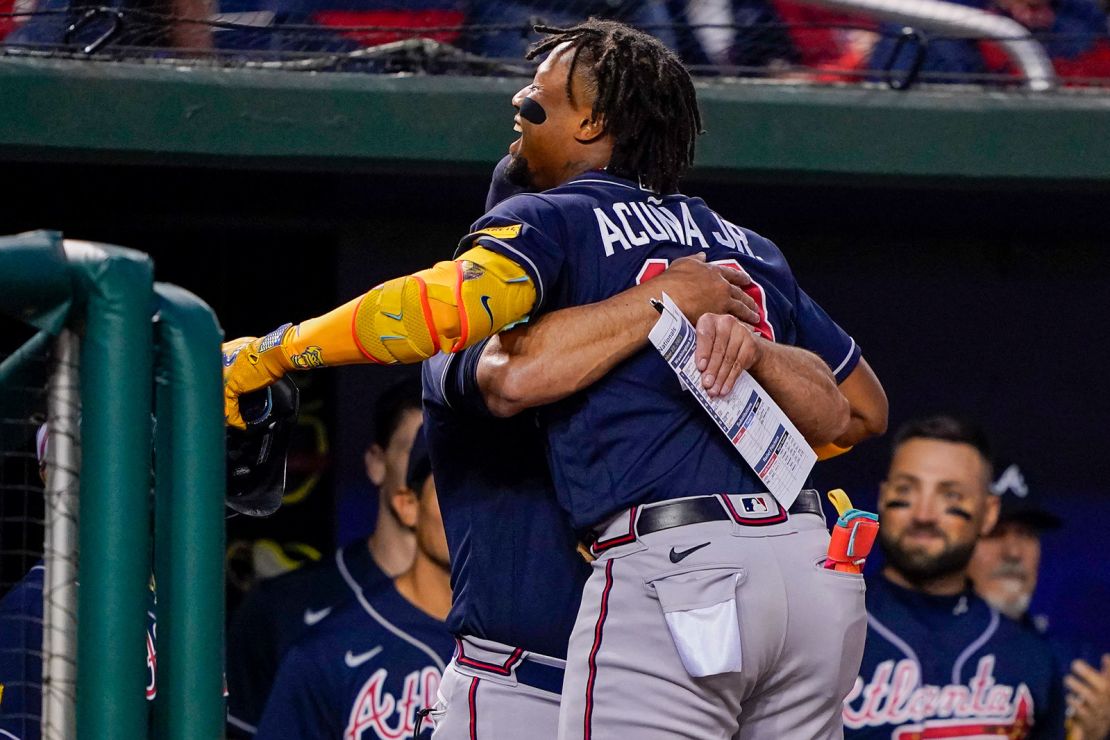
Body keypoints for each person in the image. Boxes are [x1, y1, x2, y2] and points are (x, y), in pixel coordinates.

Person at [221, 19, 887, 738]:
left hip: (617, 619)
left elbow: (456, 319)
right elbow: (859, 414)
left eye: (537, 93)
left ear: (593, 120)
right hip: (791, 572)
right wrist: (682, 314)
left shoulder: (553, 224)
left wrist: (276, 351)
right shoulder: (738, 249)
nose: (519, 101)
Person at [843, 415, 1066, 739]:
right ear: (882, 497)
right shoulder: (826, 630)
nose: (923, 515)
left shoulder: (1029, 657)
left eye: (951, 496)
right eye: (906, 490)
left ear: (988, 513)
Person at [226, 380, 421, 737]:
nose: (434, 475)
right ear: (376, 463)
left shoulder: (486, 619)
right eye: (419, 454)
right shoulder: (281, 609)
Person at [255, 427, 455, 740]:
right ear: (407, 505)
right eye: (454, 491)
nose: (476, 513)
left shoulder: (534, 641)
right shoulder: (328, 652)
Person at [968, 464, 1110, 740]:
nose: (1013, 552)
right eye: (995, 532)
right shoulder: (911, 649)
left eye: (1026, 534)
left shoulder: (1077, 668)